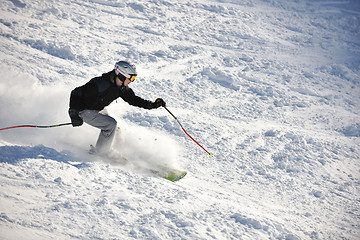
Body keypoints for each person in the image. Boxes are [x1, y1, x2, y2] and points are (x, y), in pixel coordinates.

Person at [68, 60, 166, 154]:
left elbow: (134, 100)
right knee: (111, 124)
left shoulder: (122, 88)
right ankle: (101, 153)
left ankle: (119, 150)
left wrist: (153, 105)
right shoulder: (100, 83)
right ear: (122, 76)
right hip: (83, 110)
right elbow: (76, 92)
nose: (132, 81)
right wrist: (74, 113)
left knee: (115, 130)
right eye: (131, 78)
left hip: (97, 109)